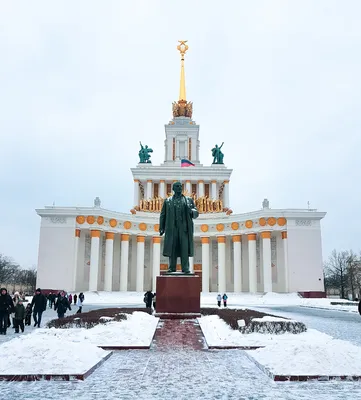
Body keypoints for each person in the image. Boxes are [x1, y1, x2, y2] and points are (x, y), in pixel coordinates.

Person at [159, 181, 199, 273]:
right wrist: (162, 227)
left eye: (180, 186)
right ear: (173, 189)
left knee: (184, 249)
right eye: (177, 186)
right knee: (172, 248)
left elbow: (196, 213)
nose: (179, 188)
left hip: (184, 229)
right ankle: (172, 267)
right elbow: (163, 215)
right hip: (172, 228)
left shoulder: (188, 200)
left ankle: (185, 268)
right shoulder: (167, 201)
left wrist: (191, 211)